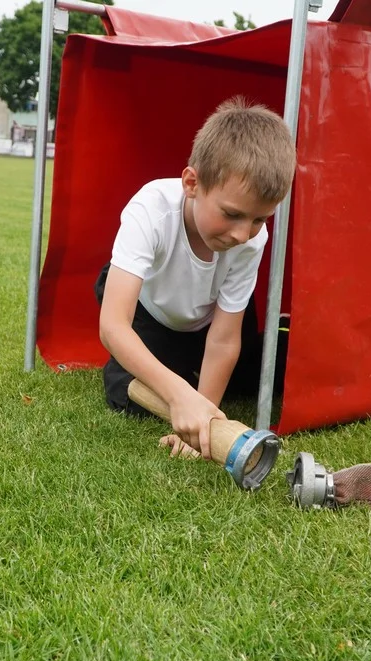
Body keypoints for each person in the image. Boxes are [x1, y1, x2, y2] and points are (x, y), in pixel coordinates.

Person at [95, 97, 296, 460]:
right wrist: (178, 395)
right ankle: (162, 374)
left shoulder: (252, 241)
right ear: (192, 183)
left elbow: (222, 340)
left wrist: (201, 414)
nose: (242, 234)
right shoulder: (151, 208)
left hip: (206, 322)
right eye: (232, 214)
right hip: (151, 314)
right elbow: (113, 325)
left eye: (258, 219)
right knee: (126, 393)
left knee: (252, 377)